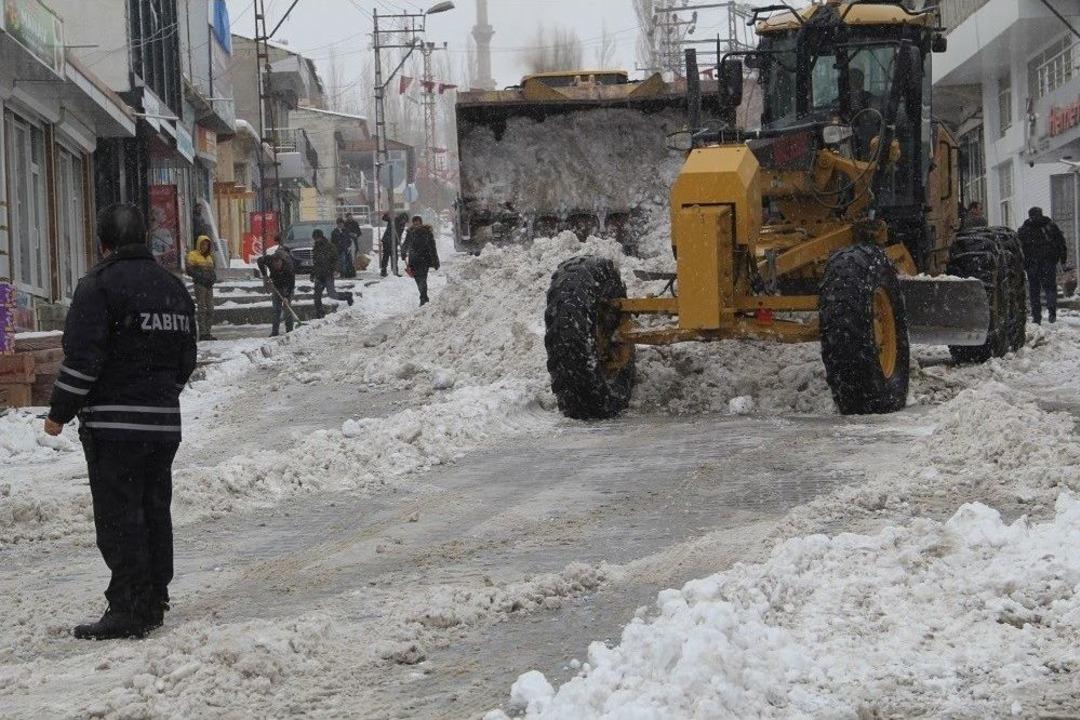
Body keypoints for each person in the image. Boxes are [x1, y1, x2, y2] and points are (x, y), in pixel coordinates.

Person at [44, 203, 197, 640]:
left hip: (114, 427)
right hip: (164, 423)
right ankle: (154, 596)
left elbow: (83, 359)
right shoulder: (173, 287)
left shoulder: (99, 286)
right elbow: (187, 356)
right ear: (145, 239)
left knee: (119, 514)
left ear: (103, 244)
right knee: (154, 509)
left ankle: (129, 605)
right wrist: (160, 395)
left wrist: (59, 412)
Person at [1019, 207, 1069, 324]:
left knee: (1034, 290)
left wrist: (1022, 264)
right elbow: (1061, 242)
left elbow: (1019, 248)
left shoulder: (1024, 229)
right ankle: (1052, 311)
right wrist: (1063, 260)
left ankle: (1037, 317)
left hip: (1032, 264)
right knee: (1050, 287)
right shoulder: (1050, 226)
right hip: (1048, 262)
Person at [311, 229, 354, 318]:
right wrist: (312, 273)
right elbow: (315, 263)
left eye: (317, 238)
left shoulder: (329, 246)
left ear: (321, 237)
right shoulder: (315, 248)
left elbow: (336, 259)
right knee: (317, 296)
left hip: (328, 274)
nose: (316, 240)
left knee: (332, 294)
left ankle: (347, 296)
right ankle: (319, 314)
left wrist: (336, 269)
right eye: (315, 239)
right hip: (319, 275)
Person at [257, 245, 297, 337]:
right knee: (276, 310)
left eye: (278, 264)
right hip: (276, 285)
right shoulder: (269, 260)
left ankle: (290, 331)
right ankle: (275, 332)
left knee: (287, 308)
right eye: (275, 265)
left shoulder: (289, 266)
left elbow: (292, 283)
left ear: (282, 261)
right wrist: (265, 276)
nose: (277, 266)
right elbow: (259, 260)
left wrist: (286, 297)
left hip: (287, 286)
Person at [401, 215, 440, 306]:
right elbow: (406, 243)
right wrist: (403, 252)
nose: (416, 224)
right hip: (414, 260)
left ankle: (423, 298)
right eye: (415, 222)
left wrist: (435, 261)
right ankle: (423, 296)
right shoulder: (410, 232)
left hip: (424, 260)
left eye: (418, 222)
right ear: (413, 223)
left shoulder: (427, 232)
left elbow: (432, 247)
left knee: (422, 279)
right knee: (418, 279)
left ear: (421, 223)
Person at [185, 235, 217, 341]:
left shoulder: (209, 257)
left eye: (207, 245)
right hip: (200, 285)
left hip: (209, 286)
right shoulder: (193, 255)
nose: (205, 246)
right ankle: (203, 333)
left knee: (211, 309)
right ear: (199, 244)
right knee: (202, 309)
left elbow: (213, 271)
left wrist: (212, 279)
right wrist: (201, 277)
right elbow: (189, 270)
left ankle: (208, 331)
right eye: (203, 244)